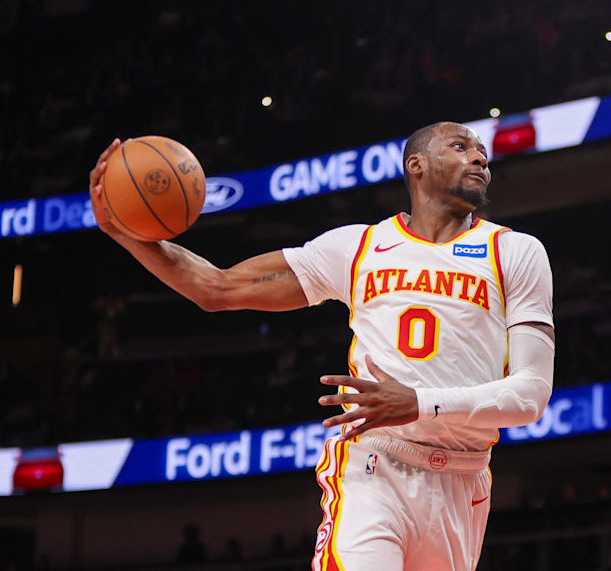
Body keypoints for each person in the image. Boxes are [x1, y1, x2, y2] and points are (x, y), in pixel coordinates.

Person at [88, 122, 556, 571]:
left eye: (483, 154)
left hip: (464, 479)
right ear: (416, 164)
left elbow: (530, 396)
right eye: (461, 146)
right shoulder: (358, 247)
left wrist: (417, 403)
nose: (479, 157)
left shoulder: (516, 252)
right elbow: (217, 288)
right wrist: (124, 233)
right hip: (376, 464)